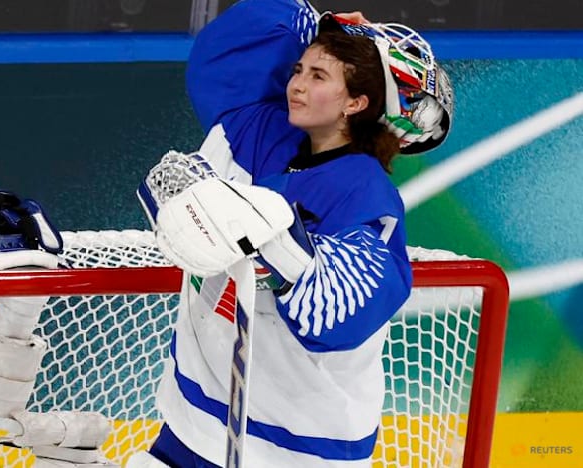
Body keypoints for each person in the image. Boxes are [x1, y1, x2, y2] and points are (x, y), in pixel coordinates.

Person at [130, 0, 454, 466]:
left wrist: (274, 243)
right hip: (195, 423)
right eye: (298, 69)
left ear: (356, 103)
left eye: (318, 77)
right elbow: (221, 56)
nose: (296, 84)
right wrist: (312, 17)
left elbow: (340, 315)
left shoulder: (367, 193)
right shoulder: (258, 131)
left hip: (298, 448)